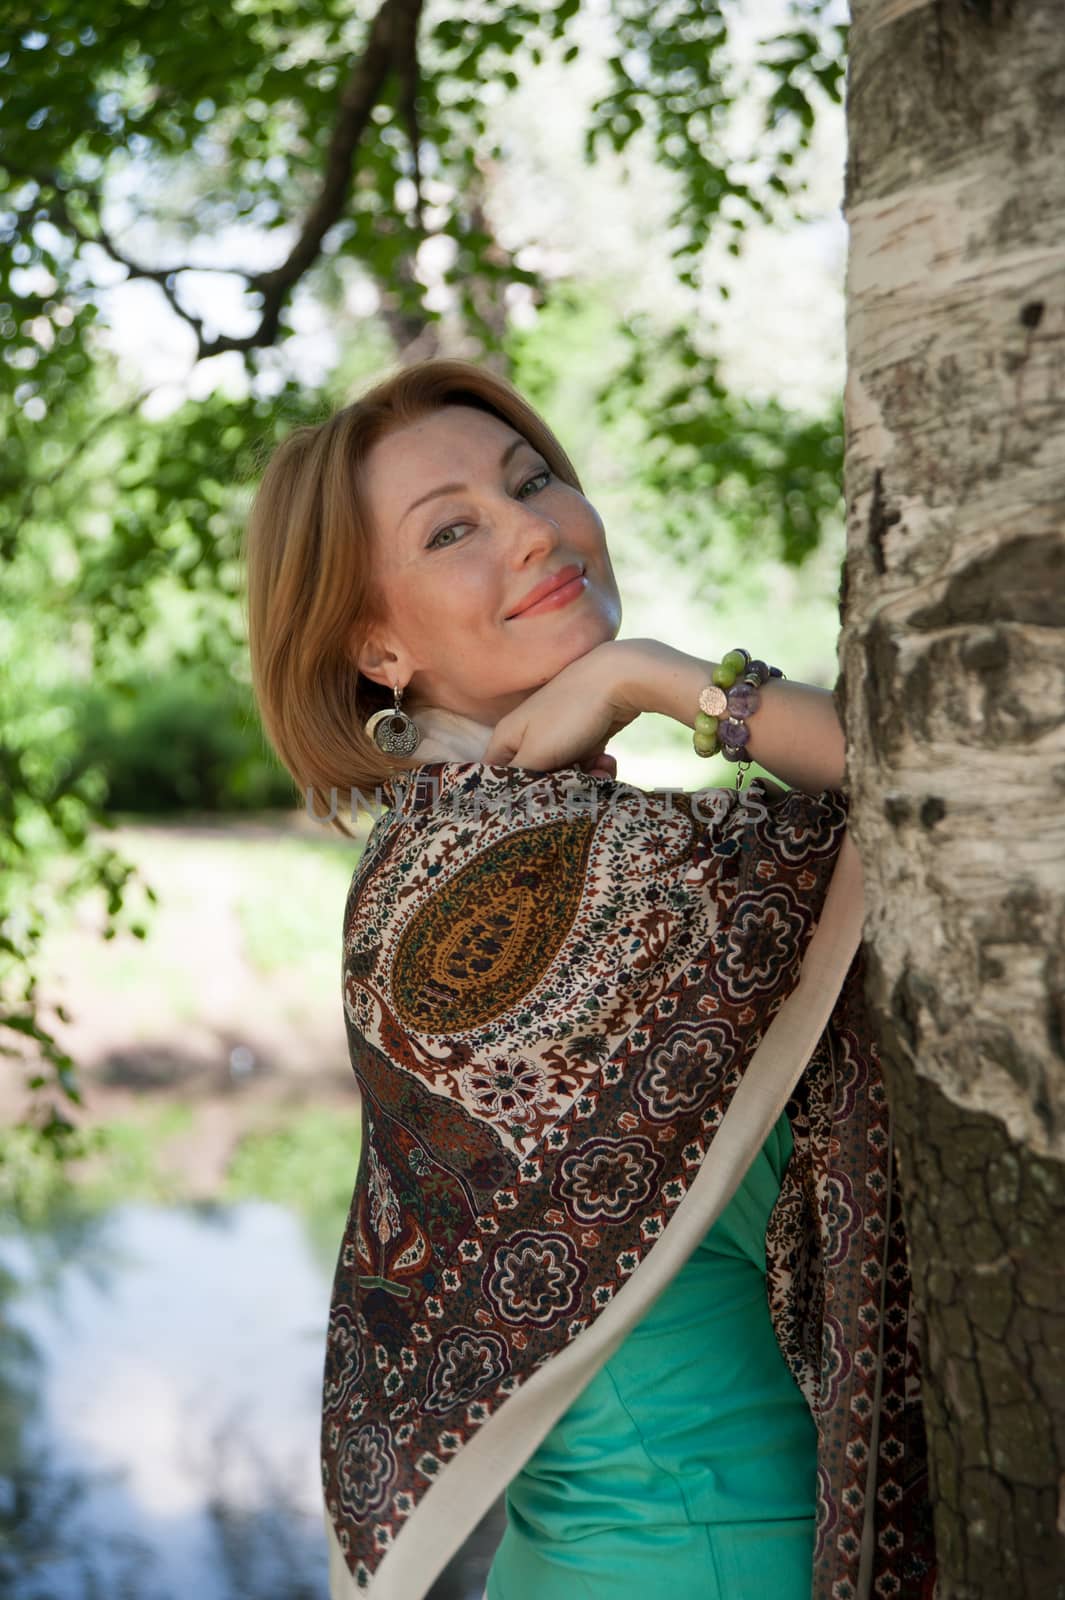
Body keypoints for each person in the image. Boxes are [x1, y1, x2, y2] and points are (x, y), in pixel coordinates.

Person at [243, 359, 937, 1600]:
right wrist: (662, 680)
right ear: (378, 644)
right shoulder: (506, 881)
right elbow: (948, 807)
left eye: (534, 480)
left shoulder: (449, 853)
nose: (531, 529)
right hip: (713, 1564)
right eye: (452, 528)